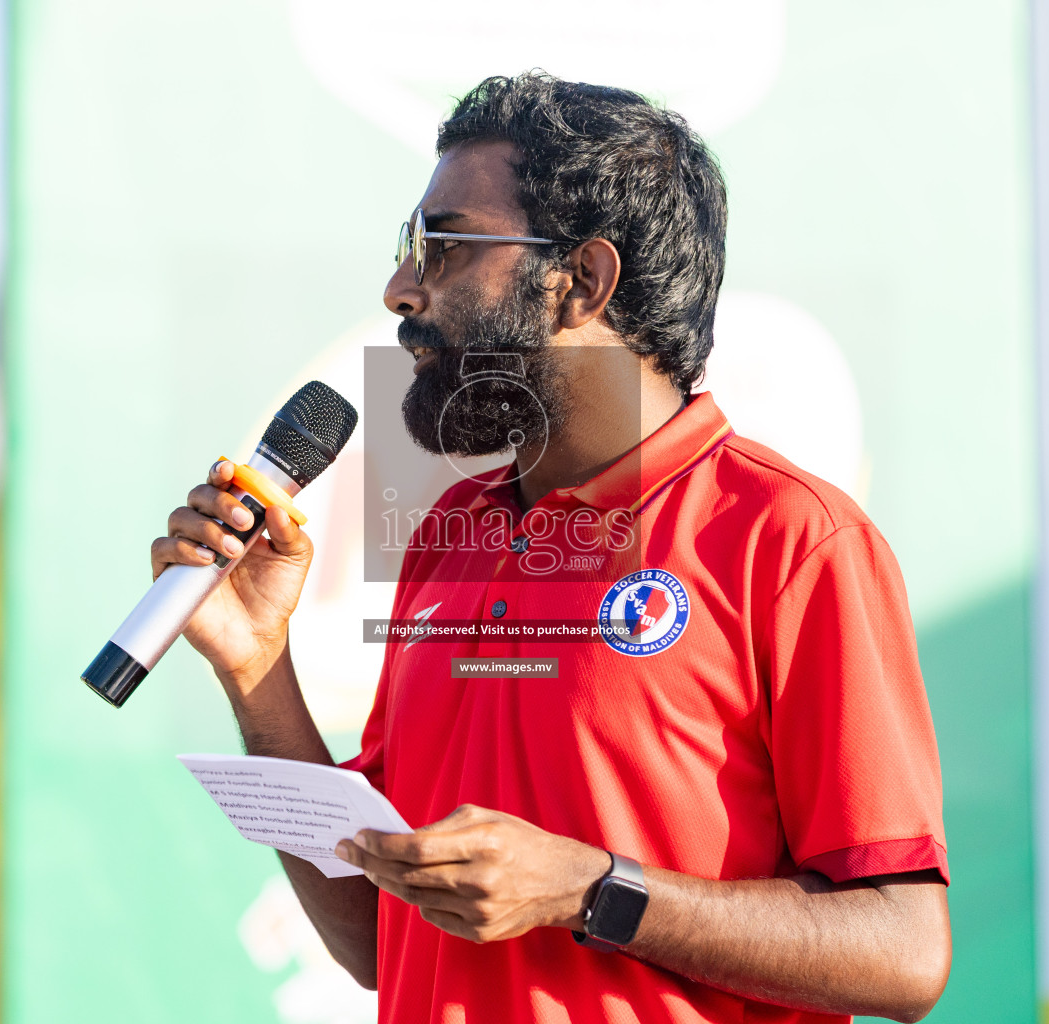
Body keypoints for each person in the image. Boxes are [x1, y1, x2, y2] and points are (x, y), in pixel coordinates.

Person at [152, 73, 952, 1024]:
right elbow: (378, 943)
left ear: (582, 282)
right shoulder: (446, 545)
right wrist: (258, 668)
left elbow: (905, 952)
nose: (400, 289)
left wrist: (591, 891)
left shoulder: (791, 541)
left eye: (443, 247)